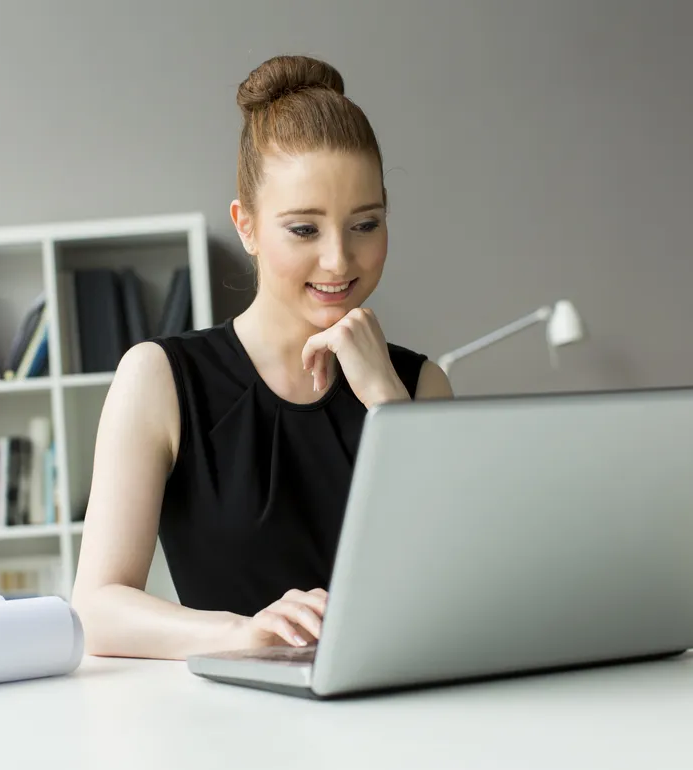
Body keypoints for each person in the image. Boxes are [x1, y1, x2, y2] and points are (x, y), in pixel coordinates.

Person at [71, 54, 454, 661]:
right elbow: (96, 607)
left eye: (366, 224)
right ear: (246, 226)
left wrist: (386, 401)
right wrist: (240, 634)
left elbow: (453, 585)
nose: (339, 260)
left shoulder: (418, 384)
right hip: (233, 733)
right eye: (304, 229)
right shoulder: (161, 380)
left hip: (401, 721)